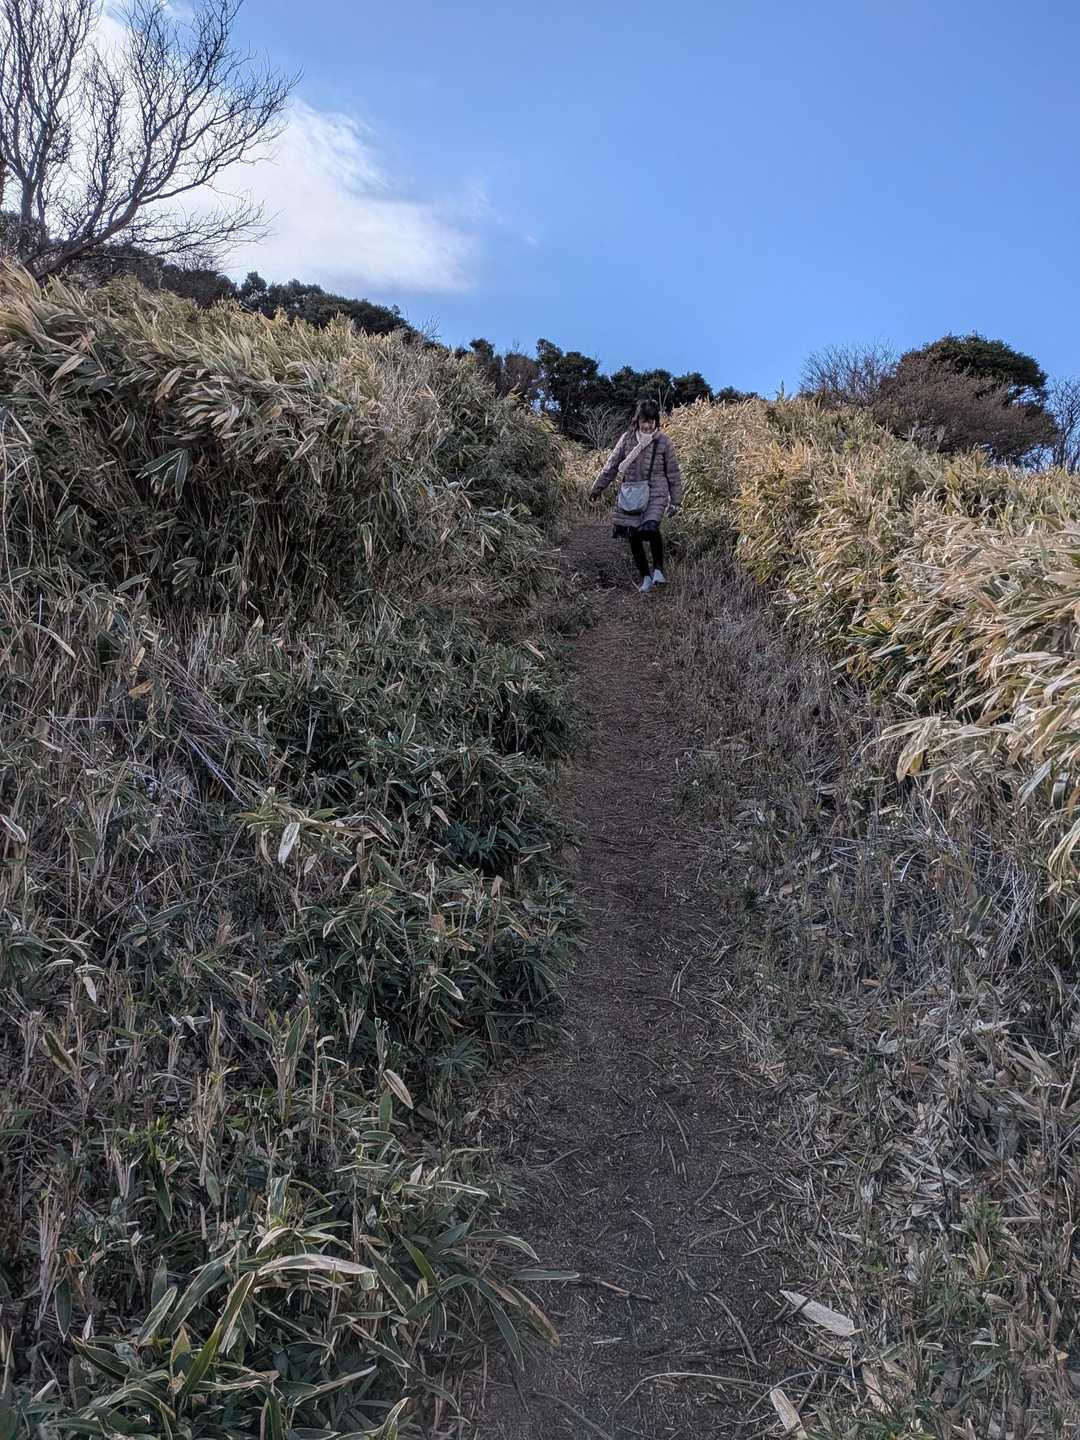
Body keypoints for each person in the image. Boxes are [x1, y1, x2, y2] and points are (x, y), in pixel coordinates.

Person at [589, 399, 683, 593]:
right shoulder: (627, 439)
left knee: (650, 527)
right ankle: (646, 577)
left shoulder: (663, 441)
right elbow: (612, 466)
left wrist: (675, 501)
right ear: (637, 421)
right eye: (644, 421)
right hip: (631, 493)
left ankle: (658, 571)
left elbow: (673, 473)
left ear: (656, 421)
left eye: (651, 421)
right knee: (634, 536)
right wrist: (597, 488)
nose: (648, 426)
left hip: (656, 493)